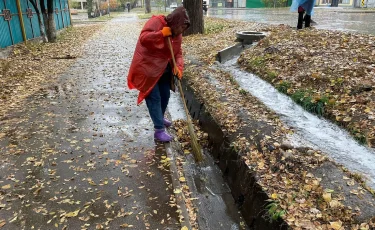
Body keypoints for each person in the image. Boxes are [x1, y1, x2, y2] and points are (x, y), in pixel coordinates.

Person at [127, 7, 190, 142]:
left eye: (184, 29)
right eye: (181, 27)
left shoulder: (177, 35)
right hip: (148, 70)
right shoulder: (156, 22)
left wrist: (178, 67)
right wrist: (161, 34)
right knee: (154, 98)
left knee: (165, 95)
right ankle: (159, 130)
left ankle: (159, 117)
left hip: (164, 70)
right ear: (175, 22)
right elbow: (144, 38)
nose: (181, 31)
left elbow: (178, 53)